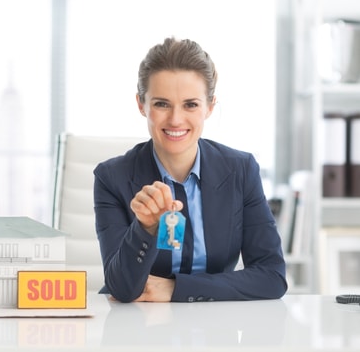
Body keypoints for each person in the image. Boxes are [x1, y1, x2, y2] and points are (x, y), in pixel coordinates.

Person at [93, 37, 287, 303]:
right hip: (138, 331)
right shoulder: (111, 178)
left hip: (213, 333)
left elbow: (271, 277)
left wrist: (175, 289)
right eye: (161, 104)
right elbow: (123, 288)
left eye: (190, 104)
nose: (175, 119)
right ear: (142, 105)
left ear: (209, 107)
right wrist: (145, 228)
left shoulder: (241, 170)